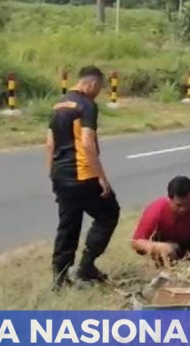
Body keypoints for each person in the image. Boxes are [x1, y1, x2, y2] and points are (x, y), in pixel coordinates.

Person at [46, 65, 120, 290]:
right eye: (99, 88)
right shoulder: (87, 105)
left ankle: (59, 278)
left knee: (68, 224)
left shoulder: (58, 105)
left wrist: (52, 174)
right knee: (108, 213)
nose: (98, 92)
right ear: (92, 84)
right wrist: (102, 179)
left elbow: (50, 144)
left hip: (60, 175)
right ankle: (86, 267)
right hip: (83, 175)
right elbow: (87, 142)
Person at [131, 176, 190, 266]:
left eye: (187, 204)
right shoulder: (156, 210)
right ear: (170, 198)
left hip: (187, 242)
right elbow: (136, 243)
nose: (184, 209)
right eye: (179, 205)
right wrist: (159, 247)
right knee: (169, 251)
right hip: (164, 249)